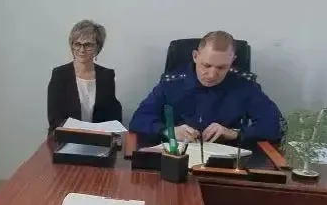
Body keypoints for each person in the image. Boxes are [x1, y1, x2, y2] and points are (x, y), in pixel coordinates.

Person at [129, 30, 282, 143]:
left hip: (225, 162)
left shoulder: (245, 86)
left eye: (221, 67)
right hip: (177, 157)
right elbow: (139, 120)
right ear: (195, 56)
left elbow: (276, 125)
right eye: (206, 65)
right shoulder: (171, 83)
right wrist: (169, 131)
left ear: (232, 60)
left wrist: (235, 133)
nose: (212, 74)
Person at [46, 19, 122, 134]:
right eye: (77, 44)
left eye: (88, 45)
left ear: (97, 47)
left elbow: (112, 116)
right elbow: (55, 119)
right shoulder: (60, 75)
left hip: (98, 139)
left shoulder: (107, 76)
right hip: (66, 138)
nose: (82, 50)